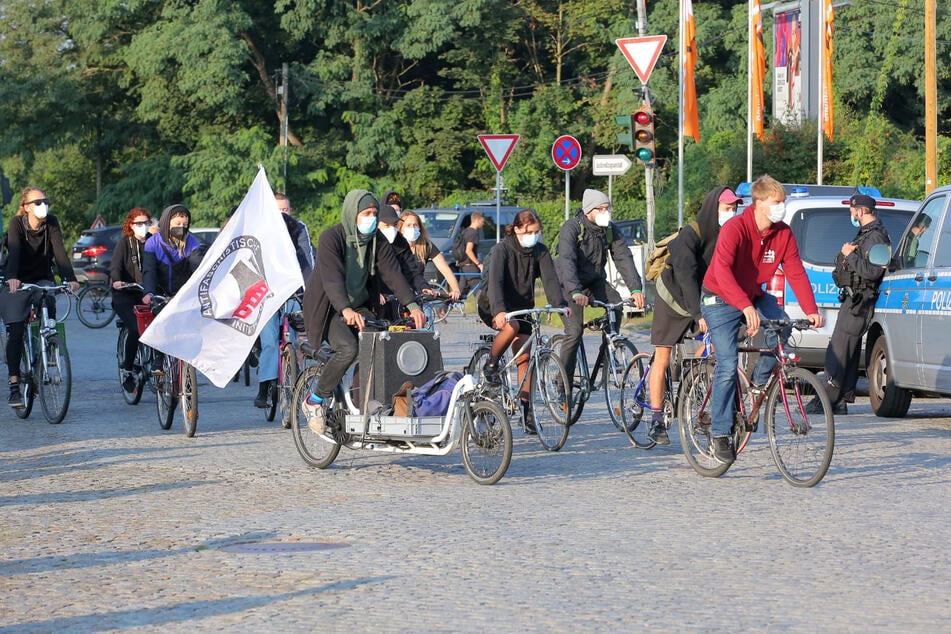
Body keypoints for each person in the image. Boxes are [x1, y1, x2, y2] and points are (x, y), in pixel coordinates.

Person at [700, 175, 823, 464]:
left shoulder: (783, 233)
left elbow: (795, 271)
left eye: (783, 202)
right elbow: (723, 272)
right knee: (728, 363)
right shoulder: (735, 228)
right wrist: (745, 307)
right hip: (718, 297)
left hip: (752, 295)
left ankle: (757, 383)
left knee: (783, 325)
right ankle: (719, 433)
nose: (781, 207)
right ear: (758, 203)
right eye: (776, 202)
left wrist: (811, 309)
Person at [300, 190, 425, 433]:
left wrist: (412, 305)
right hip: (330, 309)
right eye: (366, 213)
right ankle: (314, 400)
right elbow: (332, 279)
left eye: (374, 213)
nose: (371, 218)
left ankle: (370, 403)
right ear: (352, 214)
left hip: (360, 306)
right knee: (349, 348)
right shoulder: (331, 238)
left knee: (384, 341)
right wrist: (345, 308)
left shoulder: (376, 239)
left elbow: (393, 273)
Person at [646, 186, 741, 444]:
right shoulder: (692, 234)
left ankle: (694, 381)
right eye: (726, 208)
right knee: (663, 356)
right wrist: (698, 313)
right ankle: (656, 420)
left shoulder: (731, 234)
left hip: (701, 297)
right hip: (673, 295)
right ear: (713, 208)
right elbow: (686, 277)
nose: (731, 213)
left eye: (734, 208)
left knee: (712, 344)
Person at [478, 209, 569, 434]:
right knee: (513, 327)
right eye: (529, 231)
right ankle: (491, 363)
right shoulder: (502, 250)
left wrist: (560, 305)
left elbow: (550, 280)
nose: (533, 235)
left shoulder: (540, 251)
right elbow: (495, 282)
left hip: (523, 305)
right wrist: (499, 311)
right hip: (494, 303)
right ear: (517, 229)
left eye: (537, 231)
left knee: (525, 357)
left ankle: (527, 411)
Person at [555, 188, 645, 402]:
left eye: (608, 208)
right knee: (575, 332)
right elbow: (567, 261)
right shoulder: (572, 228)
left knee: (616, 304)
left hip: (594, 281)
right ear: (588, 211)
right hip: (568, 285)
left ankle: (610, 348)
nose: (607, 212)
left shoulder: (610, 229)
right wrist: (575, 291)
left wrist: (636, 288)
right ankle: (563, 383)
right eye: (601, 209)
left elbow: (623, 257)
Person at [2, 187, 80, 407]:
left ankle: (50, 351)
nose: (42, 205)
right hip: (18, 280)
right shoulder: (16, 224)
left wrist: (70, 278)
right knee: (16, 329)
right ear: (26, 207)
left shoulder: (51, 223)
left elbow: (60, 252)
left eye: (44, 201)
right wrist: (12, 277)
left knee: (49, 302)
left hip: (42, 278)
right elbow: (15, 251)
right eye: (36, 202)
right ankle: (15, 384)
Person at [813, 193, 890, 415]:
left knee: (839, 350)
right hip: (854, 299)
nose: (850, 212)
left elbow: (872, 272)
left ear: (862, 210)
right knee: (847, 349)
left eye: (852, 209)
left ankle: (826, 401)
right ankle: (840, 400)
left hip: (860, 301)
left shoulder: (875, 237)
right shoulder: (866, 234)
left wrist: (850, 256)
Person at [253, 193, 315, 408]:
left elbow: (307, 261)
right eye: (277, 210)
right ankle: (264, 388)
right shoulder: (260, 231)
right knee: (269, 341)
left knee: (298, 338)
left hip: (293, 291)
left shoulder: (299, 228)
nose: (282, 214)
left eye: (285, 210)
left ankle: (297, 379)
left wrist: (310, 290)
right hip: (268, 294)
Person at [111, 207, 153, 394]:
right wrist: (117, 281)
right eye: (138, 223)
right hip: (126, 294)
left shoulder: (154, 242)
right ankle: (128, 369)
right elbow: (115, 266)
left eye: (146, 223)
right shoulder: (124, 243)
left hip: (148, 293)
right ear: (130, 225)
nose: (143, 226)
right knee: (136, 328)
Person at [141, 204, 204, 304]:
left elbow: (198, 267)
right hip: (160, 295)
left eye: (185, 225)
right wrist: (149, 292)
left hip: (184, 296)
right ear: (167, 223)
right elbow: (149, 270)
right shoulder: (153, 243)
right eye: (177, 224)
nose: (181, 227)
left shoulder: (192, 242)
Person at [398, 209, 461, 300]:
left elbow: (444, 268)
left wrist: (455, 289)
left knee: (427, 312)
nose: (412, 228)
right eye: (408, 225)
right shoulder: (395, 246)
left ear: (420, 227)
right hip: (399, 294)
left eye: (415, 225)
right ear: (401, 228)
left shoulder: (426, 245)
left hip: (420, 293)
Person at [456, 211, 484, 297]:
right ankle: (485, 309)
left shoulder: (466, 231)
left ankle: (443, 308)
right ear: (478, 220)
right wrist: (479, 264)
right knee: (480, 291)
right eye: (483, 221)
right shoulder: (473, 233)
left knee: (459, 293)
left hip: (463, 265)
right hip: (469, 266)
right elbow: (468, 250)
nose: (483, 223)